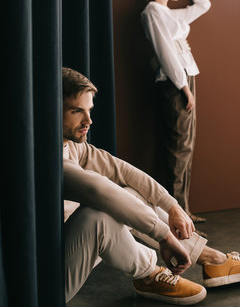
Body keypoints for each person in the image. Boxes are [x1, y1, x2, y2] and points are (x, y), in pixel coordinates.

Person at [62, 67, 240, 305]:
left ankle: (209, 259)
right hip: (45, 283)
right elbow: (101, 190)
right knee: (99, 214)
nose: (88, 121)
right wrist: (165, 236)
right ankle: (148, 274)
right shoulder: (45, 156)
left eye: (89, 110)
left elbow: (122, 170)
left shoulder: (71, 143)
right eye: (76, 111)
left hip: (72, 247)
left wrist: (172, 205)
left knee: (129, 193)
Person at [141, 0, 211, 223]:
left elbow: (203, 5)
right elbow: (166, 55)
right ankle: (177, 215)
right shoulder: (152, 11)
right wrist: (184, 88)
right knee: (177, 149)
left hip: (185, 78)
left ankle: (184, 209)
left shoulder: (168, 13)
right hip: (175, 83)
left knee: (185, 148)